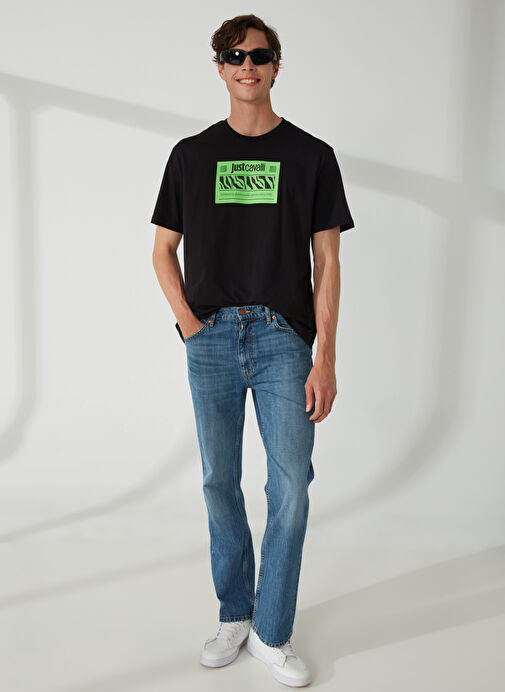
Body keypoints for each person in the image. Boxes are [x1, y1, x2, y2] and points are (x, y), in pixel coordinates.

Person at [150, 13, 355, 687]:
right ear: (219, 68)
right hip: (209, 336)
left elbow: (327, 261)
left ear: (275, 66)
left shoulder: (311, 156)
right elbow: (162, 250)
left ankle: (271, 629)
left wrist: (324, 356)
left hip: (281, 339)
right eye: (234, 56)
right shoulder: (190, 154)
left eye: (259, 56)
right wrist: (189, 324)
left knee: (290, 483)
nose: (247, 65)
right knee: (219, 479)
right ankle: (234, 612)